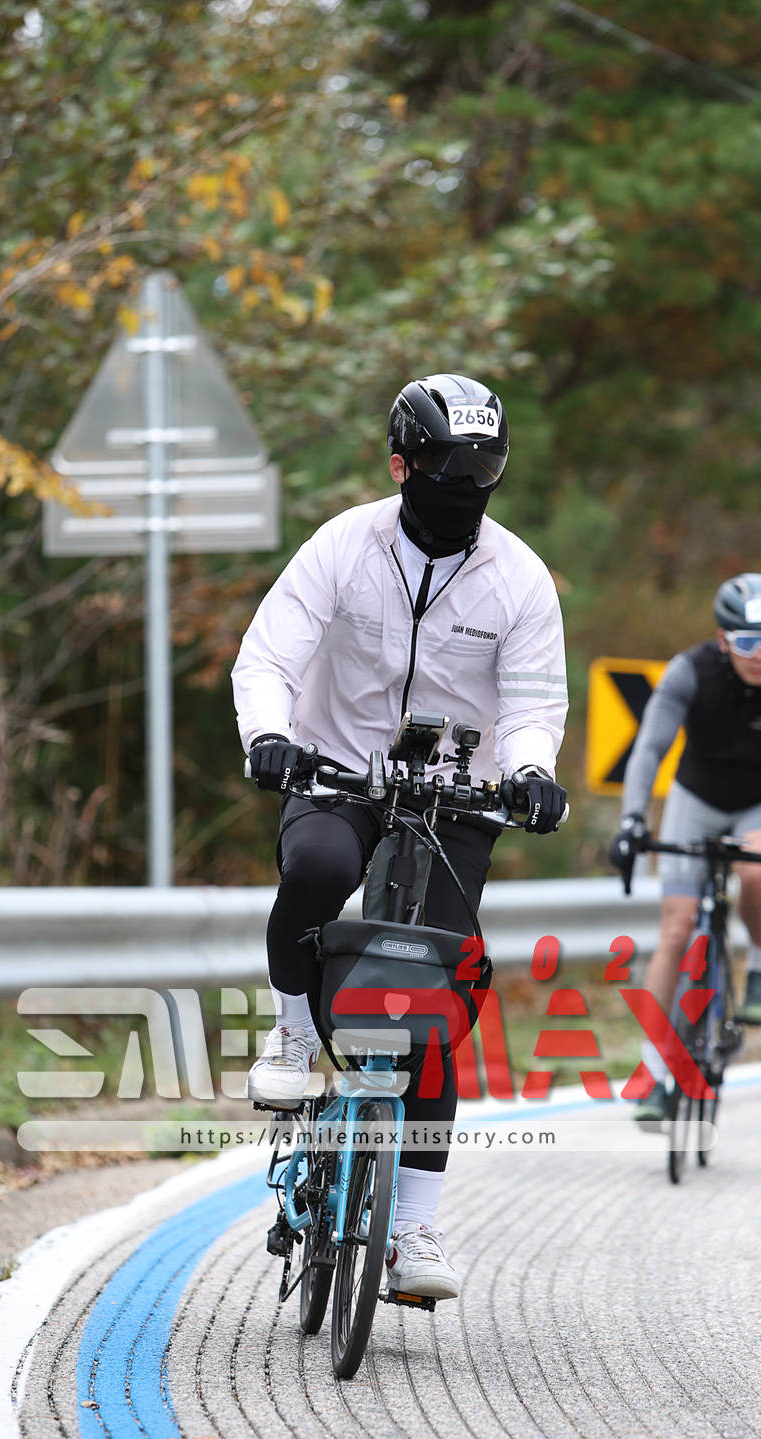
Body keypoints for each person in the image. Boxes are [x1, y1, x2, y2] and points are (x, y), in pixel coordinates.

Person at [232, 373, 569, 1300]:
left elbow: (533, 704)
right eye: (449, 471)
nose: (466, 490)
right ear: (401, 466)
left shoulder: (519, 578)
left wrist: (531, 769)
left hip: (455, 794)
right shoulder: (344, 546)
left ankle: (413, 1230)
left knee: (431, 998)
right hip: (336, 769)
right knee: (319, 868)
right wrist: (268, 737)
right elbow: (269, 656)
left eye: (485, 473)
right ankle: (294, 1038)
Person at [608, 573, 761, 1121]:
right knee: (676, 931)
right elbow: (649, 748)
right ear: (722, 638)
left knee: (757, 871)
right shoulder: (690, 670)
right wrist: (633, 818)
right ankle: (653, 1071)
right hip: (697, 799)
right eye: (747, 642)